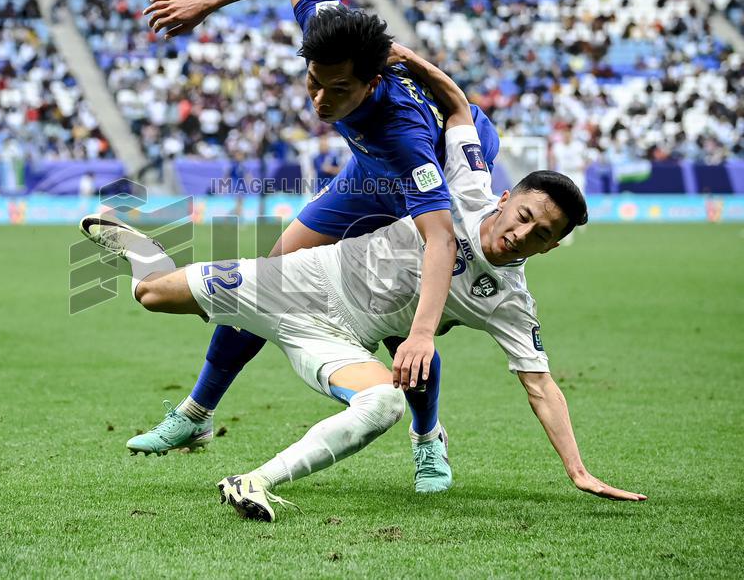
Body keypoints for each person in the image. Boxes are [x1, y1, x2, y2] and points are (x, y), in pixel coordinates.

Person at [78, 111, 647, 520]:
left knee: (384, 401)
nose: (521, 234)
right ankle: (142, 257)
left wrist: (577, 470)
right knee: (151, 294)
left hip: (342, 339)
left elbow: (541, 386)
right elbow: (455, 107)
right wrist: (409, 61)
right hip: (299, 280)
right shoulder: (467, 187)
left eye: (540, 235)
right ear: (504, 199)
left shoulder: (511, 300)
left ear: (550, 248)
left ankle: (258, 481)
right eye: (522, 216)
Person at [135, 0, 503, 494]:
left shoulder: (405, 137)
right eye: (313, 82)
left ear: (372, 82)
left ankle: (427, 439)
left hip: (429, 182)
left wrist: (424, 330)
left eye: (337, 90)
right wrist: (207, 1)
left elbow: (441, 238)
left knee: (398, 319)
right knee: (269, 277)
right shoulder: (336, 35)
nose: (320, 100)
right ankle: (197, 413)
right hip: (367, 173)